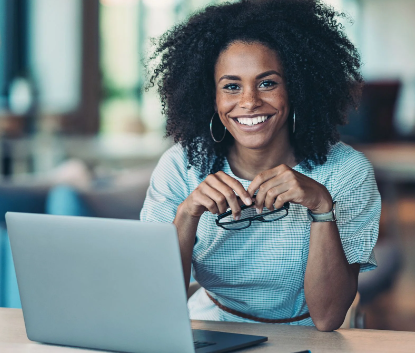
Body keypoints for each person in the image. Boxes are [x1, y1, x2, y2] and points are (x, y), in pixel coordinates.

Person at [141, 0, 380, 331]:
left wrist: (322, 207)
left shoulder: (346, 172)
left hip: (307, 335)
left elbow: (327, 317)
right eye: (232, 86)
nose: (249, 101)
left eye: (268, 83)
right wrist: (187, 214)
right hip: (211, 327)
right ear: (211, 96)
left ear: (295, 88)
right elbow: (153, 301)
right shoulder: (181, 166)